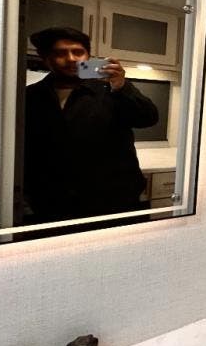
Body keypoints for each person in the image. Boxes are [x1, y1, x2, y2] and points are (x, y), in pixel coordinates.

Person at [23, 27, 159, 223]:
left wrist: (122, 86)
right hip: (52, 206)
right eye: (60, 53)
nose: (71, 59)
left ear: (88, 56)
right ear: (46, 58)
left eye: (78, 52)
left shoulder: (110, 91)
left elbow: (148, 118)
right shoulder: (29, 97)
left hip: (115, 204)